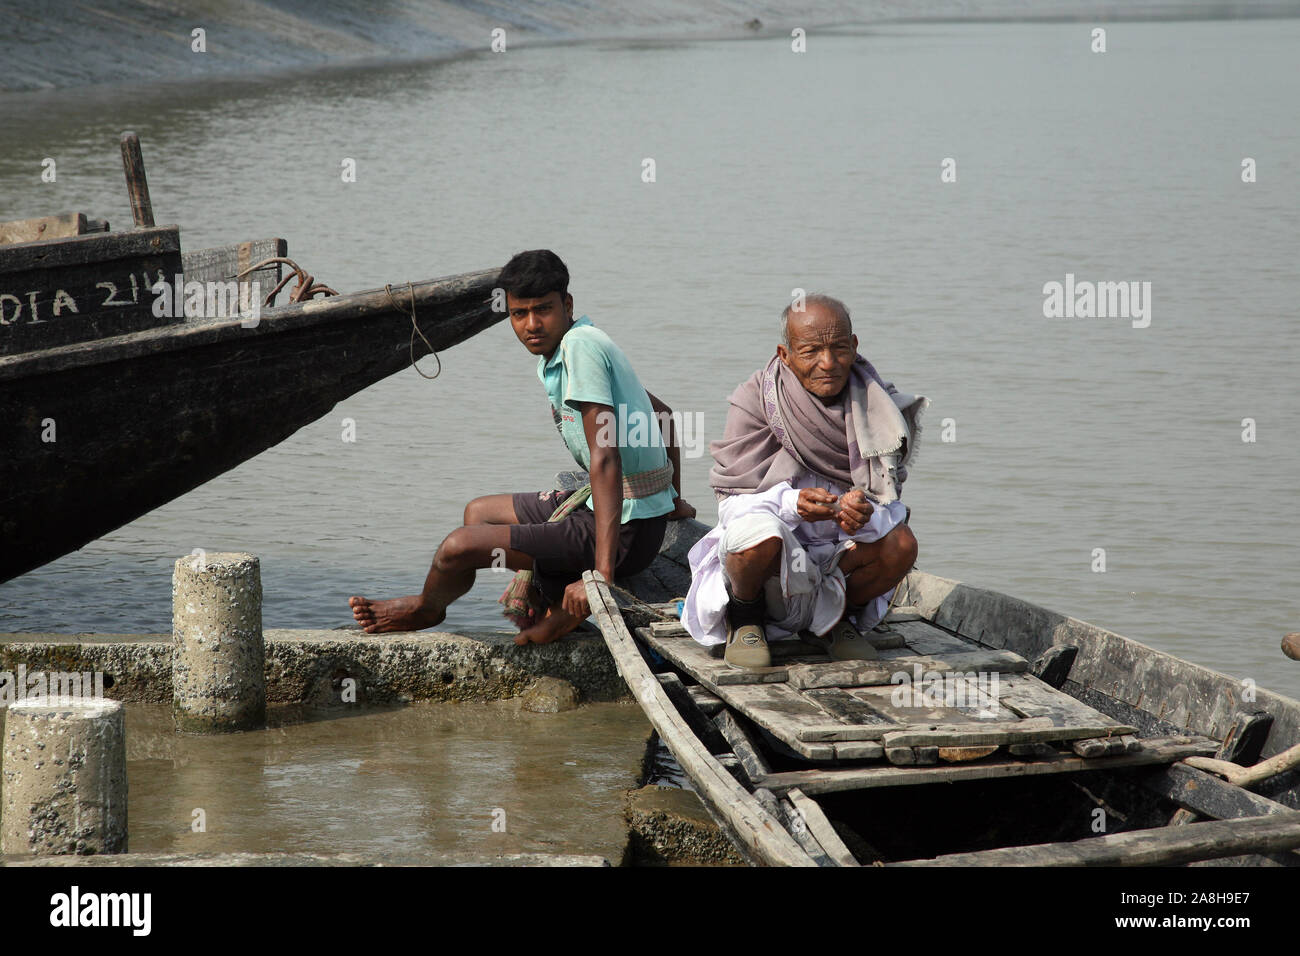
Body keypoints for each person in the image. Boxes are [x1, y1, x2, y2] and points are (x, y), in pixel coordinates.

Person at [349, 249, 695, 644]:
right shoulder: (577, 343)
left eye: (543, 309)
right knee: (478, 513)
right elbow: (662, 413)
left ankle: (427, 609)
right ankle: (552, 597)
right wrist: (673, 499)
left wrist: (602, 579)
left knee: (456, 548)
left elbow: (605, 457)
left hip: (629, 533)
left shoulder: (579, 349)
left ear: (567, 305)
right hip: (626, 509)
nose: (532, 324)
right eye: (519, 313)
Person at [681, 294, 925, 669]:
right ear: (785, 353)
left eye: (839, 349)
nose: (827, 364)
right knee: (755, 534)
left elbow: (887, 497)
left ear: (854, 346)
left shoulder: (880, 407)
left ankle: (836, 621)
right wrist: (791, 505)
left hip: (838, 561)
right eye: (811, 351)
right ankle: (746, 618)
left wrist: (862, 510)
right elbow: (731, 504)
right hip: (772, 566)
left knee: (902, 543)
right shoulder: (755, 400)